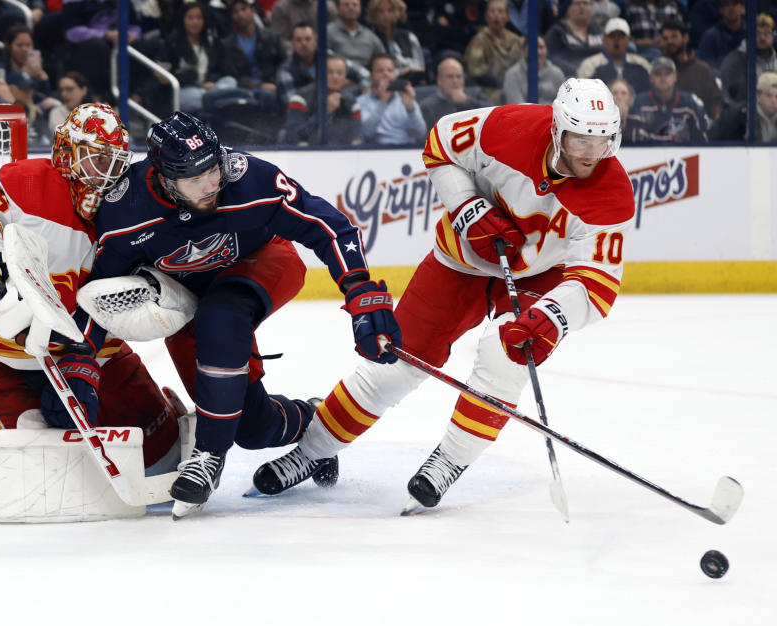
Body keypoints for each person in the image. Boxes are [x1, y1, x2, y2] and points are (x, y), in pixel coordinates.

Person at [250, 78, 635, 514]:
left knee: (503, 354)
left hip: (541, 276)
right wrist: (469, 209)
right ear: (556, 130)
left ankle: (448, 462)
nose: (590, 153)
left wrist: (552, 316)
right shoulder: (506, 128)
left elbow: (598, 282)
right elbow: (440, 145)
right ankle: (311, 451)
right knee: (396, 362)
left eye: (602, 141)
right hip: (462, 258)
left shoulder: (612, 194)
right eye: (581, 139)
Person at [71, 111, 401, 518]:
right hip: (186, 300)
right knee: (250, 427)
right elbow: (98, 292)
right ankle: (314, 419)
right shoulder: (125, 212)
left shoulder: (248, 178)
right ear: (164, 179)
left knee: (222, 315)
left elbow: (330, 227)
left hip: (264, 261)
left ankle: (208, 457)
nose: (212, 184)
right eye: (196, 179)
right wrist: (78, 359)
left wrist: (361, 290)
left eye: (213, 169)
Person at [0, 103, 182, 475]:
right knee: (43, 471)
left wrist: (84, 360)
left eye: (114, 164)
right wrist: (0, 264)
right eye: (94, 160)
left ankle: (164, 410)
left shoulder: (131, 208)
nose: (105, 177)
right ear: (65, 152)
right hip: (1, 354)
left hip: (97, 353)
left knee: (163, 456)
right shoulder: (26, 182)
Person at [626, 56, 710, 142]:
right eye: (658, 74)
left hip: (684, 154)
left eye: (667, 73)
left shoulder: (690, 102)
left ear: (675, 77)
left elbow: (702, 136)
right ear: (651, 78)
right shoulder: (638, 102)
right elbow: (633, 138)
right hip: (647, 154)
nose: (663, 78)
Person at [283, 54, 363, 144]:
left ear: (345, 78)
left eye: (340, 73)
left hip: (340, 154)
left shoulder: (351, 102)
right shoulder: (300, 98)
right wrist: (324, 112)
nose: (335, 77)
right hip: (308, 154)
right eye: (330, 72)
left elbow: (357, 136)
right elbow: (292, 135)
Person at [659, 19, 724, 120]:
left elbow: (715, 102)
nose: (670, 41)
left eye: (674, 36)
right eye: (665, 38)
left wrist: (716, 122)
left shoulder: (702, 69)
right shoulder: (658, 70)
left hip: (698, 125)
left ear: (686, 38)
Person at [356, 52, 426, 144]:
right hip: (375, 152)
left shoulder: (405, 98)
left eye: (390, 70)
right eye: (380, 71)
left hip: (405, 150)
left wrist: (410, 109)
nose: (386, 74)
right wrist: (382, 102)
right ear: (371, 76)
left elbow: (420, 134)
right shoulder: (361, 102)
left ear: (395, 74)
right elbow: (366, 134)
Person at [464, 0, 524, 104]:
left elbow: (522, 65)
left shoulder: (514, 40)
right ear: (486, 16)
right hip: (488, 90)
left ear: (507, 16)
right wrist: (500, 83)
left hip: (515, 86)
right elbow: (475, 71)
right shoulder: (480, 40)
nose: (496, 15)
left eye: (500, 11)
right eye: (492, 11)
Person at [577, 17, 651, 94]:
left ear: (629, 39)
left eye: (621, 36)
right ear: (604, 39)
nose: (617, 40)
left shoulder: (641, 63)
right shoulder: (590, 64)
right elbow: (583, 93)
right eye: (612, 35)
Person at [720, 13, 777, 109]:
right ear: (749, 34)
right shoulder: (734, 61)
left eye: (767, 33)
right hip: (744, 116)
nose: (762, 37)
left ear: (773, 36)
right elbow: (733, 98)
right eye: (757, 33)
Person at [365, 0, 427, 85]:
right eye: (381, 11)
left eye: (390, 10)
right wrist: (399, 72)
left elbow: (420, 63)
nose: (386, 15)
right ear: (373, 15)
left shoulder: (409, 36)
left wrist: (410, 70)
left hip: (414, 76)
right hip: (388, 80)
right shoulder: (370, 39)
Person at [421, 56, 492, 126]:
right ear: (439, 80)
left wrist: (467, 101)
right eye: (450, 76)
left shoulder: (477, 94)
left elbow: (492, 115)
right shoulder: (428, 106)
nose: (455, 81)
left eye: (458, 76)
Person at [503, 35, 566, 104]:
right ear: (524, 50)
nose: (538, 52)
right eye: (533, 47)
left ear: (546, 50)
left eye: (541, 47)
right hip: (525, 114)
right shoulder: (512, 75)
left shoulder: (557, 73)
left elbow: (564, 103)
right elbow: (516, 105)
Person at [327, 0, 386, 71]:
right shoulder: (328, 32)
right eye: (346, 5)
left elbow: (383, 58)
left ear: (360, 9)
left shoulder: (370, 36)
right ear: (338, 9)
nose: (351, 8)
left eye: (355, 5)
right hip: (337, 76)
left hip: (366, 78)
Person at [696, 0, 745, 72]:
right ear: (721, 9)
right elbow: (707, 67)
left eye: (735, 4)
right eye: (726, 4)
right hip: (720, 80)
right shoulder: (710, 36)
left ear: (743, 8)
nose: (731, 8)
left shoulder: (751, 34)